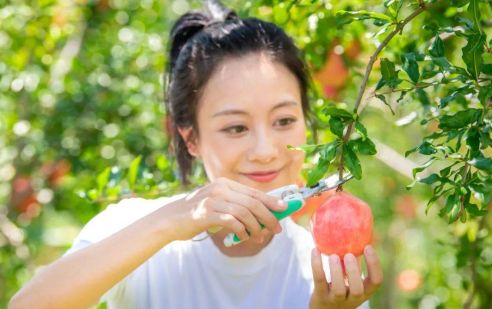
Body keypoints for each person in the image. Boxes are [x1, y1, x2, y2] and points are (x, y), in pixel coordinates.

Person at [9, 1, 383, 308]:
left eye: (284, 120)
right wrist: (176, 218)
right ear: (189, 138)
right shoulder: (134, 228)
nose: (266, 151)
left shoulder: (323, 271)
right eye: (236, 127)